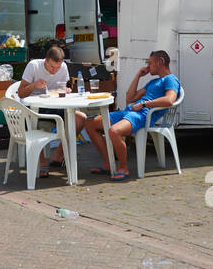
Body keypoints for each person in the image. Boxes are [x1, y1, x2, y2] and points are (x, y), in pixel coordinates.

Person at [77, 50, 179, 181]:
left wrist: (144, 105)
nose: (148, 66)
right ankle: (109, 164)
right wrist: (138, 75)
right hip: (130, 111)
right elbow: (130, 97)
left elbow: (169, 100)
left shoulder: (171, 80)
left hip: (143, 115)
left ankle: (123, 167)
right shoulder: (153, 82)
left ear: (160, 63)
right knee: (90, 124)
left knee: (114, 131)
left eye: (150, 63)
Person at [16, 46, 71, 173]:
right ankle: (41, 161)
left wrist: (66, 90)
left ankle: (57, 155)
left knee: (79, 118)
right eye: (52, 67)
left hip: (54, 106)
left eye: (57, 67)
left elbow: (64, 88)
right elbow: (20, 93)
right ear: (46, 60)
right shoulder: (33, 66)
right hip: (33, 107)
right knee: (32, 122)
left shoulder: (63, 68)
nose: (54, 71)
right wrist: (34, 85)